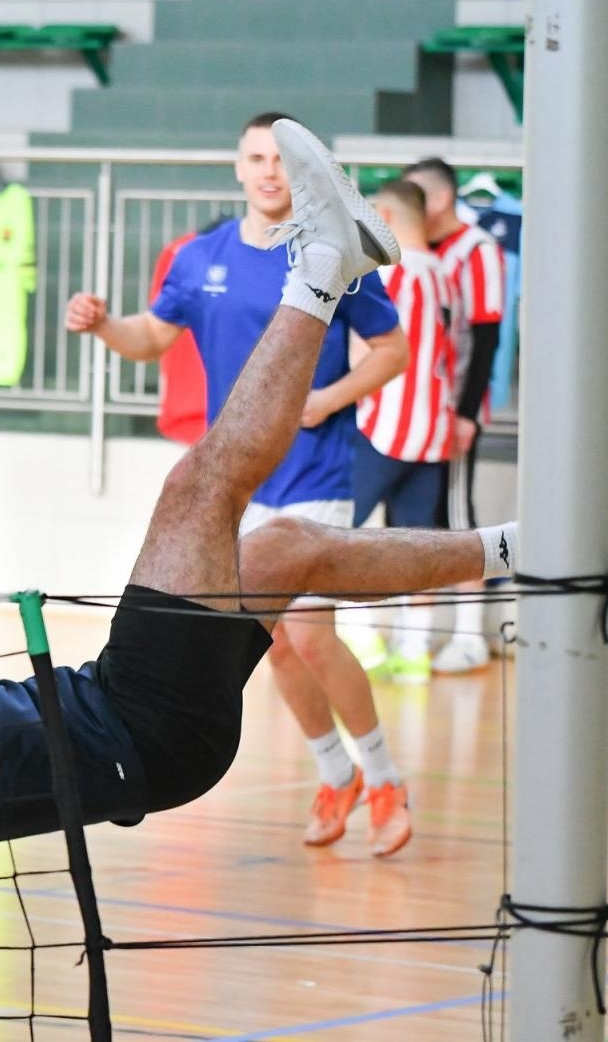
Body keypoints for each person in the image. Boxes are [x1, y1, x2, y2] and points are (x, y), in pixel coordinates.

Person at [0, 121, 608, 1037]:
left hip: (138, 728)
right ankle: (325, 262)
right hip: (132, 724)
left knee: (284, 551)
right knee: (200, 485)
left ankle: (523, 550)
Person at [65, 112, 416, 858]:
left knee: (311, 634)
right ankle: (336, 774)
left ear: (302, 173)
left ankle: (385, 777)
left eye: (281, 159)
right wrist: (102, 326)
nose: (269, 171)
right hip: (241, 483)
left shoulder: (327, 257)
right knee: (274, 646)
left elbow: (393, 350)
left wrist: (326, 399)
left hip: (315, 469)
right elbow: (151, 338)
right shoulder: (200, 258)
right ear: (238, 167)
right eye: (256, 158)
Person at [401, 158, 506, 674]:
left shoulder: (477, 250)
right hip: (412, 417)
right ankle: (414, 638)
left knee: (459, 519)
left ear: (440, 199)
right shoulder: (413, 249)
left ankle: (470, 637)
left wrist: (466, 414)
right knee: (413, 524)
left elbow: (486, 337)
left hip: (451, 414)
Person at [349, 180, 456, 683]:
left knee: (334, 528)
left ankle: (360, 637)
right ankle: (414, 653)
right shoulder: (444, 274)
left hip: (384, 425)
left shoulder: (392, 273)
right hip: (433, 432)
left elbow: (366, 350)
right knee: (420, 544)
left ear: (385, 218)